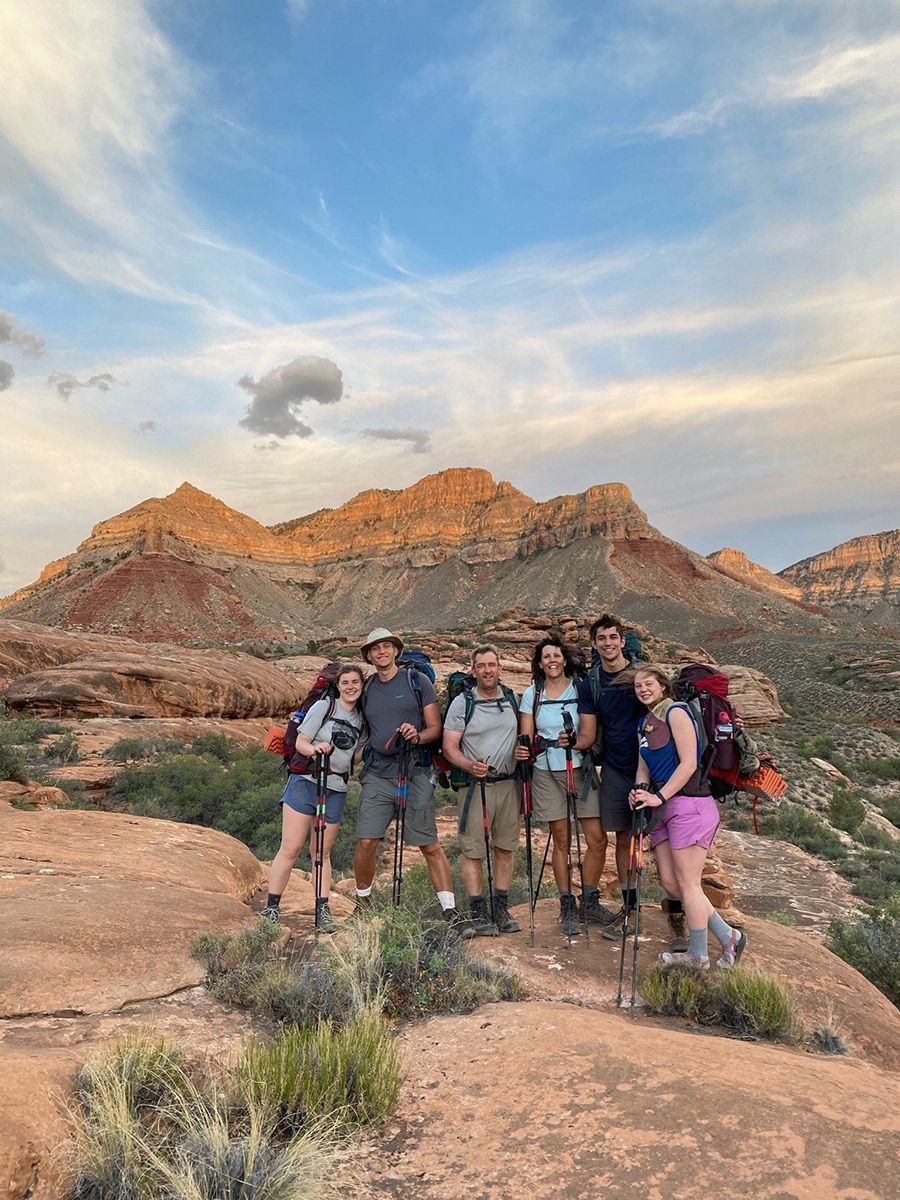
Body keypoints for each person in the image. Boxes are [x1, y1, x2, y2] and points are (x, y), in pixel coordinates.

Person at [629, 664, 748, 970]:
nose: (643, 689)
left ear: (663, 686)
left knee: (689, 883)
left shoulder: (676, 713)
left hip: (690, 806)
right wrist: (640, 792)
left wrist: (660, 796)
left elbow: (689, 764)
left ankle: (698, 955)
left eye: (648, 684)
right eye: (638, 685)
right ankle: (728, 935)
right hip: (663, 809)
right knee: (672, 882)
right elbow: (644, 766)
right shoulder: (645, 722)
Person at [353, 627, 460, 923]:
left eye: (386, 647)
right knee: (366, 841)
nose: (381, 652)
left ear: (396, 651)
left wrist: (417, 736)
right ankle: (363, 903)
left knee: (428, 843)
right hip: (377, 773)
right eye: (375, 649)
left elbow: (435, 728)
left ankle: (449, 909)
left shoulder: (417, 681)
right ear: (369, 655)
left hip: (415, 770)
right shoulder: (368, 687)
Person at [264, 664, 366, 931]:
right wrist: (315, 749)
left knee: (322, 852)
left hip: (335, 789)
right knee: (291, 847)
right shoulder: (325, 707)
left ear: (362, 685)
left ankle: (323, 911)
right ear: (338, 685)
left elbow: (354, 756)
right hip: (305, 783)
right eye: (346, 682)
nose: (351, 687)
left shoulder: (361, 720)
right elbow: (301, 741)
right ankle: (271, 909)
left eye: (356, 682)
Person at [517, 635, 605, 936]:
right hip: (546, 770)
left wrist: (575, 742)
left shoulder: (581, 689)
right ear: (540, 664)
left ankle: (590, 899)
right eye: (545, 658)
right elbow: (526, 734)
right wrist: (525, 749)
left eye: (555, 656)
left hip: (579, 768)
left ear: (564, 659)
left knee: (596, 839)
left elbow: (589, 735)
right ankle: (567, 903)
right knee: (562, 840)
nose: (551, 661)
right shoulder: (533, 693)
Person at [572, 614, 651, 937]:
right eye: (601, 638)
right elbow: (589, 733)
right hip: (618, 768)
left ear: (622, 640)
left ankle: (674, 911)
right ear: (594, 643)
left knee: (644, 840)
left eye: (613, 638)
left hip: (651, 768)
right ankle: (631, 909)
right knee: (622, 838)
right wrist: (570, 743)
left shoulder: (639, 677)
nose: (608, 643)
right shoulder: (591, 683)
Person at [443, 644, 521, 938]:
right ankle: (477, 911)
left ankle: (500, 907)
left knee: (505, 846)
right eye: (481, 666)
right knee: (473, 849)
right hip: (476, 786)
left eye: (492, 665)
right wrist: (468, 764)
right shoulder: (463, 703)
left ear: (500, 667)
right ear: (473, 670)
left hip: (508, 783)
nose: (487, 670)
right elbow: (449, 747)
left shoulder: (512, 698)